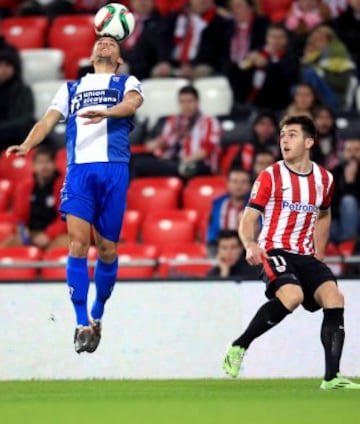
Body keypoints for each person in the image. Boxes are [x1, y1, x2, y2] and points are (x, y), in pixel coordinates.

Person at [6, 36, 144, 354]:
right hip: (80, 172)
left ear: (120, 58)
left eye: (112, 42)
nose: (105, 44)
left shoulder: (127, 81)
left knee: (107, 250)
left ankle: (97, 313)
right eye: (100, 41)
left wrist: (107, 113)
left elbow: (132, 104)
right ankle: (82, 323)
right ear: (91, 52)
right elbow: (47, 120)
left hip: (114, 170)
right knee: (78, 244)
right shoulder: (70, 88)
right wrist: (27, 144)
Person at [223, 115, 360, 389]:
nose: (284, 139)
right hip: (275, 249)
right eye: (283, 134)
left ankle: (332, 378)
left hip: (306, 254)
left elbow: (324, 214)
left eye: (293, 134)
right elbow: (248, 218)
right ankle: (240, 345)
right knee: (293, 296)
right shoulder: (271, 175)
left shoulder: (325, 178)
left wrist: (318, 255)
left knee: (334, 297)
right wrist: (250, 243)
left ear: (309, 141)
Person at [131, 85, 221, 179]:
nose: (186, 106)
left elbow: (206, 150)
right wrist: (155, 144)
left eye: (189, 101)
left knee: (140, 165)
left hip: (198, 165)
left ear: (197, 102)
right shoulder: (174, 121)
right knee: (132, 159)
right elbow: (164, 140)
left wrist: (183, 161)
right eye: (182, 102)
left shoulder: (209, 122)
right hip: (173, 162)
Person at [0, 145, 68, 249]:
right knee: (5, 247)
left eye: (47, 162)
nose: (44, 166)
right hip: (31, 234)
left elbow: (66, 217)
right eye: (40, 162)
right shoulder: (24, 187)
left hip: (56, 235)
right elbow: (18, 218)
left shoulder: (65, 187)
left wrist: (49, 235)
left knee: (67, 244)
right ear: (33, 165)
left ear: (54, 164)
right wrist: (23, 232)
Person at [152, 0, 231, 79]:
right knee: (158, 71)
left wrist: (192, 65)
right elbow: (163, 40)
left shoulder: (217, 22)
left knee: (202, 71)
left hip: (199, 63)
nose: (203, 1)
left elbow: (210, 48)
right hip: (173, 63)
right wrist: (164, 60)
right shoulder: (177, 16)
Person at [0, 36, 35, 152]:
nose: (3, 70)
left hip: (17, 136)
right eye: (0, 65)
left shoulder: (23, 90)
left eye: (7, 65)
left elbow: (26, 117)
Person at [207, 168, 252, 245]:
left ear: (250, 185)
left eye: (243, 182)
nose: (239, 186)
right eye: (235, 181)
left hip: (248, 247)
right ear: (228, 184)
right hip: (220, 246)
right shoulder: (218, 203)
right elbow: (212, 232)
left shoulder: (256, 204)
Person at [330, 138, 360, 247]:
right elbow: (331, 202)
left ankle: (348, 243)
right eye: (349, 150)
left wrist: (350, 182)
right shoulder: (335, 172)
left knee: (349, 201)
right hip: (338, 219)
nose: (353, 154)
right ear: (343, 153)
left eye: (357, 150)